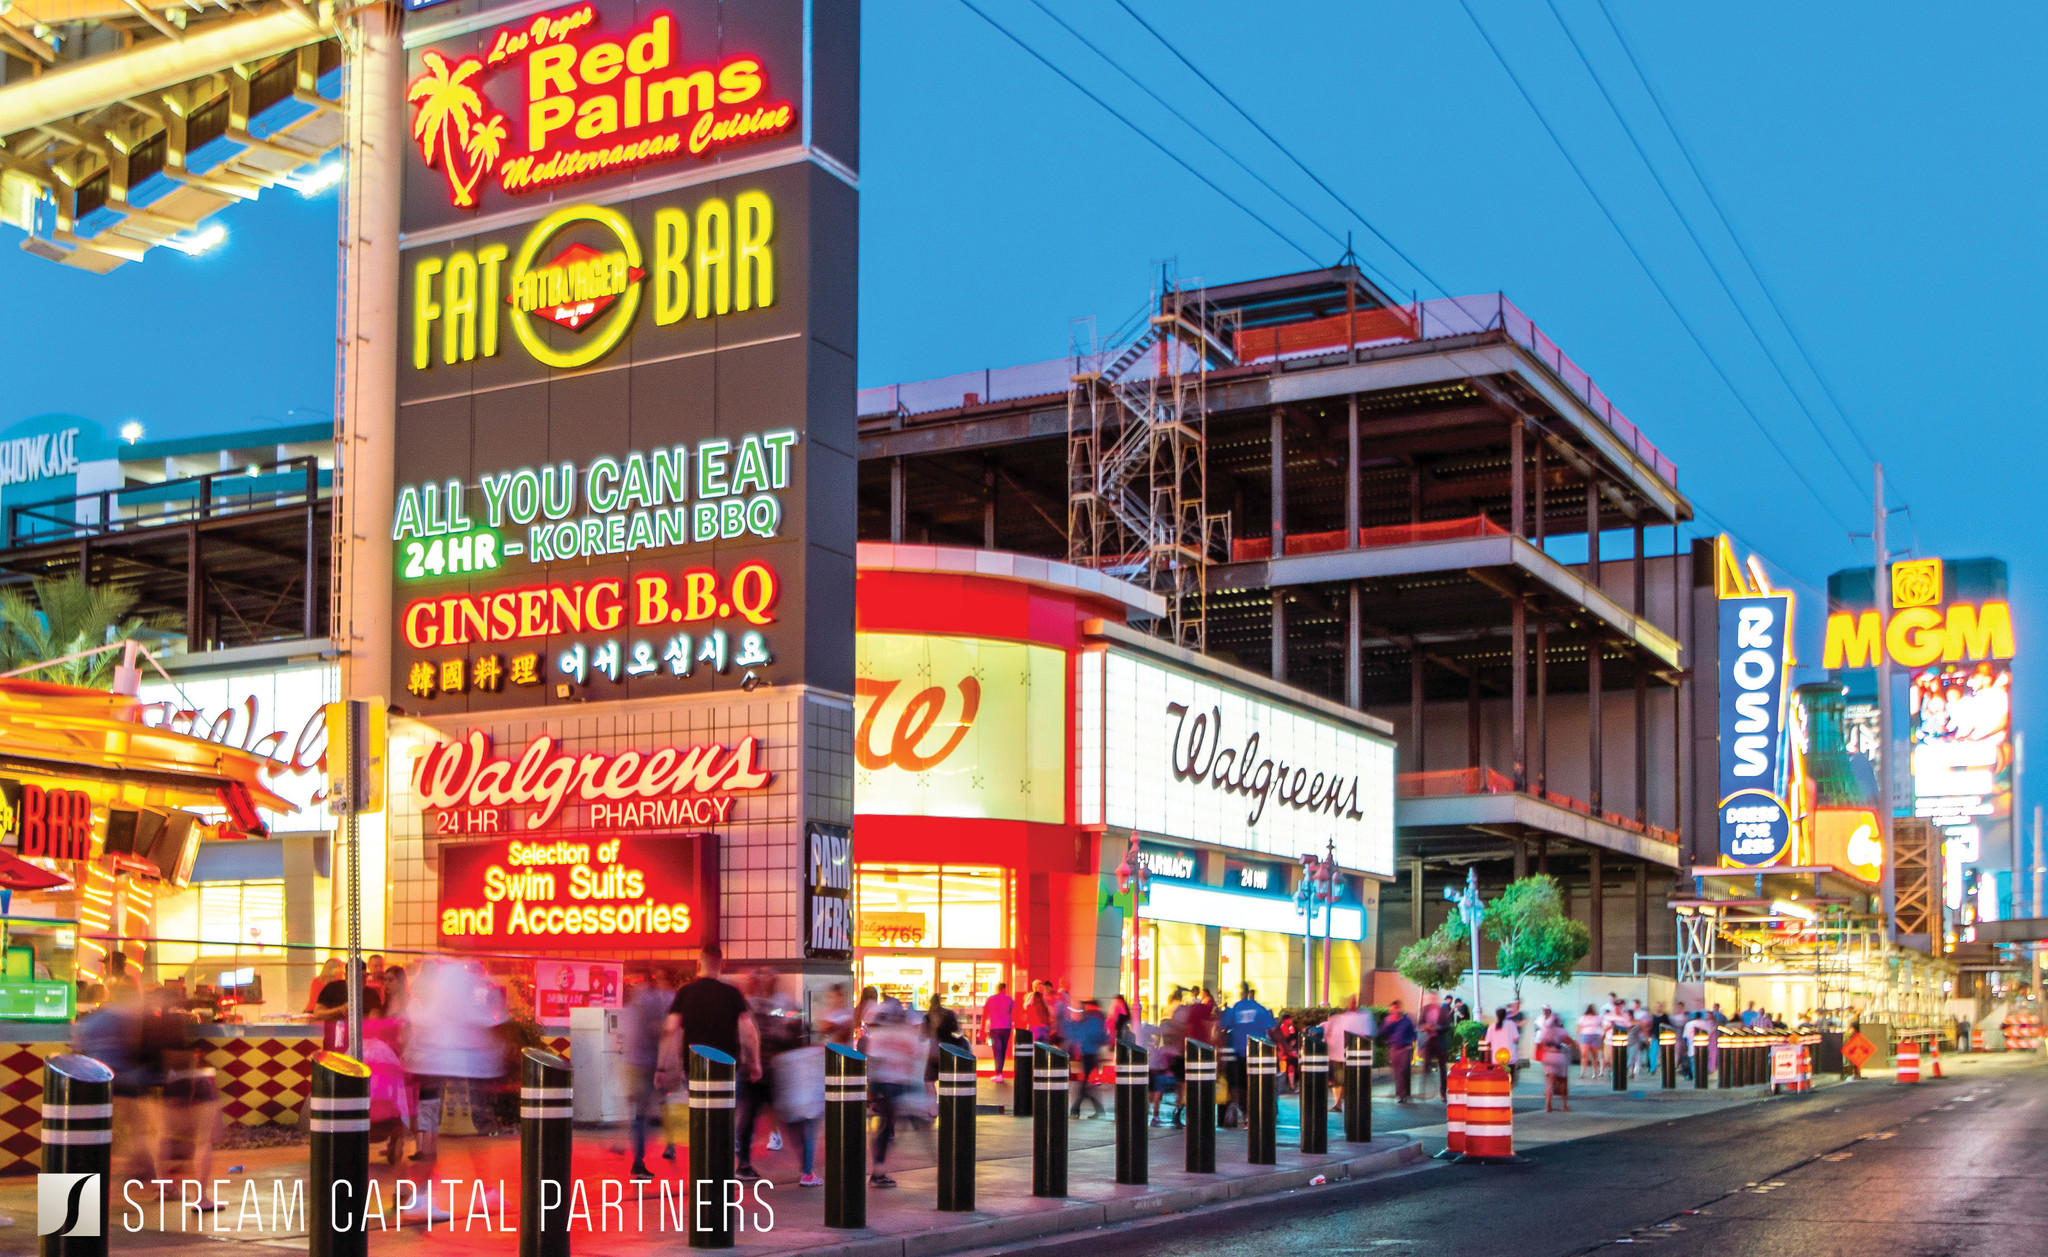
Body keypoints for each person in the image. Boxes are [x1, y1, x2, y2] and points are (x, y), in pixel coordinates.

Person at [664, 946, 762, 1177]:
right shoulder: (732, 994)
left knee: (700, 1117)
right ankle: (722, 1167)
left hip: (695, 1068)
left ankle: (702, 1169)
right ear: (722, 965)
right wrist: (755, 1061)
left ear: (699, 964)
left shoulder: (685, 993)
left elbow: (671, 1030)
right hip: (727, 1068)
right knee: (726, 1119)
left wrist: (669, 1065)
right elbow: (749, 1031)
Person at [862, 998, 923, 1188]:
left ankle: (878, 1169)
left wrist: (871, 1089)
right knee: (887, 1126)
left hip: (881, 1082)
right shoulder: (906, 1034)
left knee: (886, 1125)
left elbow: (872, 1061)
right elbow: (915, 1057)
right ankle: (878, 1171)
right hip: (896, 1083)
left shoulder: (878, 1035)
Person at [625, 969, 677, 1178]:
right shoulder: (660, 999)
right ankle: (664, 1147)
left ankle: (639, 1160)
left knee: (640, 1115)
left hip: (634, 1063)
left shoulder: (635, 1000)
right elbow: (663, 1031)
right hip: (652, 1065)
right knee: (661, 1107)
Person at [1221, 985, 1276, 1125]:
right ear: (1252, 993)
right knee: (1253, 1084)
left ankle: (1236, 1107)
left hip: (1237, 1051)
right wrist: (1284, 1047)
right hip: (1256, 1053)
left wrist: (1221, 1051)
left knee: (1237, 1083)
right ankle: (1250, 1115)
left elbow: (1223, 1028)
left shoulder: (1235, 1008)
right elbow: (1273, 1029)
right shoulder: (1259, 1009)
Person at [1067, 999, 1109, 1117]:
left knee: (1085, 1084)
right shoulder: (1080, 1023)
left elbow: (1099, 1036)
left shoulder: (1091, 1022)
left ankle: (1076, 1110)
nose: (1076, 1013)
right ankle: (1097, 1110)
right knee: (1087, 1084)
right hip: (1086, 1055)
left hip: (1091, 1055)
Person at [1380, 1000, 1417, 1103]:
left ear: (1399, 1009)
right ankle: (1401, 1093)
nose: (1392, 1011)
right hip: (1394, 1048)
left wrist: (1411, 1044)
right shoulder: (1388, 1020)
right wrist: (1389, 1023)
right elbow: (1382, 1032)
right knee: (1396, 1071)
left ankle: (1402, 1093)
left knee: (1402, 1070)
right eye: (1391, 1009)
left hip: (1405, 1048)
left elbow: (1413, 1033)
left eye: (1394, 1009)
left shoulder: (1406, 1020)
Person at [1536, 1014, 1572, 1112]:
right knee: (1563, 1081)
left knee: (1549, 1081)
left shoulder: (1545, 1031)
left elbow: (1541, 1044)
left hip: (1547, 1056)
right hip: (1559, 1056)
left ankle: (1548, 1105)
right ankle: (1564, 1105)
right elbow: (1569, 1042)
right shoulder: (1562, 1031)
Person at [1418, 996, 1451, 1101]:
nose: (1431, 1000)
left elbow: (1447, 1026)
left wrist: (1436, 1028)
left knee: (1442, 1068)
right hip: (1429, 1040)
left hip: (1439, 1040)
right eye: (1430, 998)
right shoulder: (1425, 1009)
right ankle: (1423, 1091)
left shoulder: (1442, 1010)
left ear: (1436, 999)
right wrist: (1424, 1027)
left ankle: (1443, 1093)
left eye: (1433, 998)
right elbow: (1419, 1024)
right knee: (1426, 1066)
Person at [983, 984, 1014, 1078]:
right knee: (1003, 1050)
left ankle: (998, 1073)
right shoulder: (1009, 999)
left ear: (997, 989)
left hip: (994, 1028)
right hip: (1006, 1028)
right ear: (1004, 989)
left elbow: (984, 1014)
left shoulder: (990, 999)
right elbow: (1014, 1013)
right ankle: (1000, 1072)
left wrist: (982, 1029)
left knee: (997, 1050)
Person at [1483, 1007, 1521, 1083]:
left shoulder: (1492, 1027)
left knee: (1498, 1082)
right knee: (1509, 1081)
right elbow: (1516, 1039)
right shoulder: (1511, 1024)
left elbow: (1487, 1042)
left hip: (1496, 1059)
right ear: (1505, 1015)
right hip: (1510, 1058)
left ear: (1497, 1016)